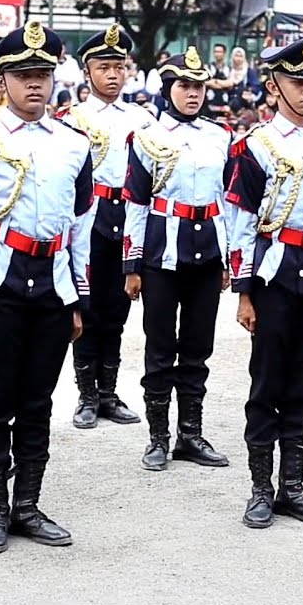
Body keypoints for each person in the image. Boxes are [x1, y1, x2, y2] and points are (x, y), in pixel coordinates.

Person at [0, 20, 92, 553]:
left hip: (52, 286)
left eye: (43, 75)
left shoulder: (73, 144)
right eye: (23, 74)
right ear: (2, 79)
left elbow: (80, 226)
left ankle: (27, 504)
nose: (35, 84)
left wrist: (78, 298)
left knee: (38, 400)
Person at [223, 35, 303, 529]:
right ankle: (260, 488)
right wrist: (244, 291)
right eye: (296, 82)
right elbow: (239, 221)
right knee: (267, 383)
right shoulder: (255, 146)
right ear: (274, 87)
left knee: (302, 383)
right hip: (273, 272)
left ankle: (292, 487)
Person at [121, 47, 232, 472]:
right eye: (184, 86)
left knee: (198, 347)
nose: (193, 94)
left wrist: (227, 259)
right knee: (160, 346)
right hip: (161, 251)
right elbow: (135, 202)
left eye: (199, 86)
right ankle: (157, 437)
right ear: (169, 89)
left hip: (207, 253)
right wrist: (131, 265)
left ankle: (190, 433)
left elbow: (226, 200)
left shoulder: (219, 136)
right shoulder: (148, 136)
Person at [58, 24, 155, 429]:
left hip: (128, 215)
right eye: (104, 67)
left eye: (119, 66)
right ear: (87, 71)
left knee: (117, 308)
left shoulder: (145, 117)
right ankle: (86, 395)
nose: (113, 75)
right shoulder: (71, 118)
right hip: (89, 216)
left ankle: (110, 391)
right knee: (88, 305)